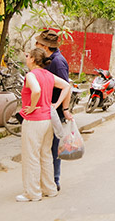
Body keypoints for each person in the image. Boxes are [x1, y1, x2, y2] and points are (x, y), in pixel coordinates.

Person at [17, 48, 71, 202]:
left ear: (33, 59)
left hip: (34, 120)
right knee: (45, 155)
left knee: (31, 156)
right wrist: (56, 104)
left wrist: (33, 106)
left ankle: (32, 193)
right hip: (48, 119)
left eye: (28, 56)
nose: (26, 58)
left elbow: (36, 91)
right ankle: (50, 189)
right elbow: (66, 86)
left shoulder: (31, 75)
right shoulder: (48, 74)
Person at [35, 29, 73, 192]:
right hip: (45, 111)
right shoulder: (47, 59)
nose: (35, 46)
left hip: (53, 112)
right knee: (45, 147)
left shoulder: (58, 62)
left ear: (45, 46)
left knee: (54, 147)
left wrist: (62, 108)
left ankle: (55, 179)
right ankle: (47, 179)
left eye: (38, 44)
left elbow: (66, 87)